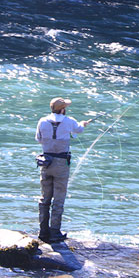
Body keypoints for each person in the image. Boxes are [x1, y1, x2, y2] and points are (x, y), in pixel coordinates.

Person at [35, 97, 90, 243]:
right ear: (62, 109)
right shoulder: (69, 121)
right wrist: (83, 124)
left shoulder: (42, 121)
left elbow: (39, 139)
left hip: (45, 162)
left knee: (45, 198)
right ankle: (55, 232)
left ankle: (43, 231)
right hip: (61, 163)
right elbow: (78, 129)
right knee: (58, 199)